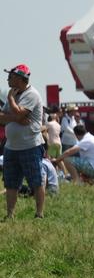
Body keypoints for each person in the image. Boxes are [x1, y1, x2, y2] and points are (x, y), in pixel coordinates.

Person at [0, 64, 45, 220]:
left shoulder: (31, 94)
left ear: (20, 78)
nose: (8, 79)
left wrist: (11, 100)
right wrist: (15, 118)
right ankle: (10, 214)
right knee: (10, 182)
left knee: (36, 181)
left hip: (30, 146)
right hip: (11, 147)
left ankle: (39, 214)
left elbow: (19, 112)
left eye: (11, 76)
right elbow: (2, 117)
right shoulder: (14, 93)